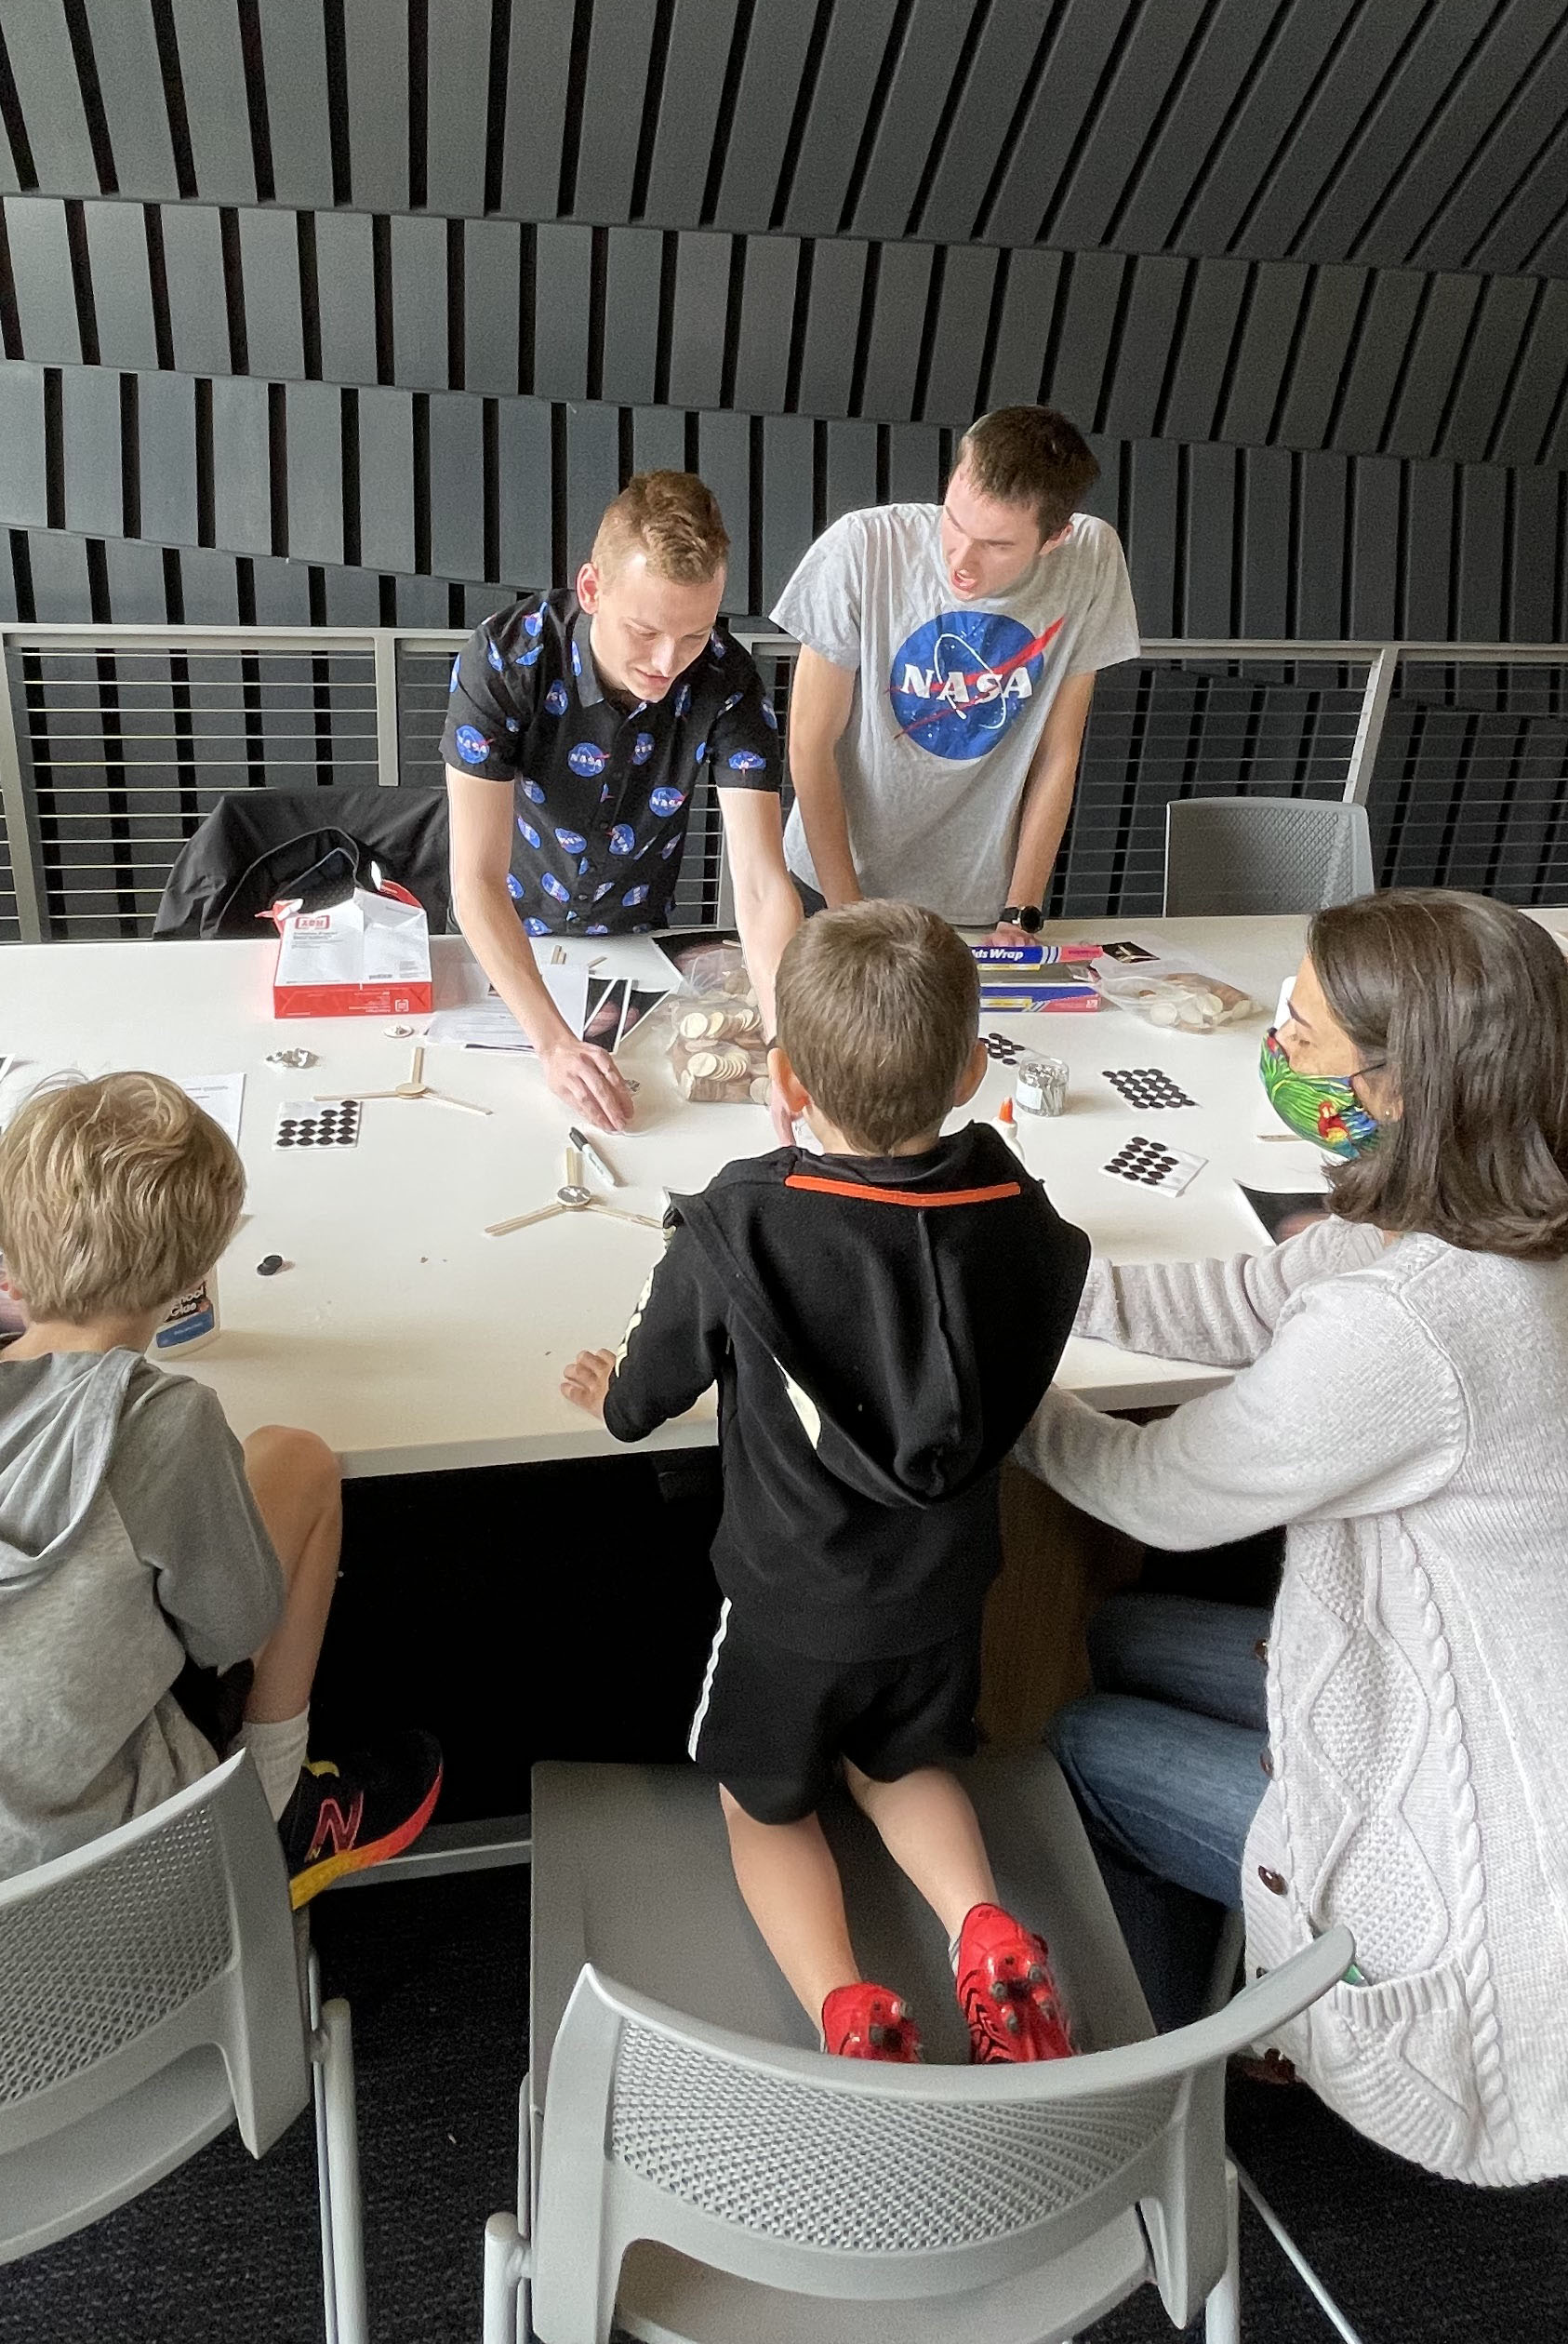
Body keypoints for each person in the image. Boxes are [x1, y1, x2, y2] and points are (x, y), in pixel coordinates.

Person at [1021, 888, 1568, 2186]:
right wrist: (1013, 1272)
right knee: (1120, 1631)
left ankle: (1166, 2115)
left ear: (1396, 1084)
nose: (1276, 1039)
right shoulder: (1505, 1216)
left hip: (1560, 1913)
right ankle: (1243, 2002)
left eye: (1304, 1030)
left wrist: (990, 1383)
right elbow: (1254, 1291)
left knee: (1084, 1740)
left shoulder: (1409, 1323)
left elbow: (1156, 1489)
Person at [558, 902, 1093, 2063]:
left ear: (784, 1079)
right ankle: (987, 1931)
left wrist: (608, 1392)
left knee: (767, 1806)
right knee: (906, 1765)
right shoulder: (1023, 1218)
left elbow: (645, 1394)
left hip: (791, 1609)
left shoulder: (741, 1220)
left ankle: (846, 2005)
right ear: (971, 1071)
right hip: (944, 1595)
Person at [0, 1070, 440, 1917]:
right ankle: (280, 1809)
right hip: (109, 1899)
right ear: (198, 1266)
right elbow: (234, 1627)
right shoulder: (164, 1422)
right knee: (299, 1462)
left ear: (6, 1241)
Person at [443, 472, 802, 1130]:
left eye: (693, 635)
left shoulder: (728, 679)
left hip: (640, 941)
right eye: (645, 631)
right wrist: (552, 1044)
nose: (668, 662)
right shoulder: (506, 657)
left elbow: (759, 883)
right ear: (591, 590)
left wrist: (787, 1042)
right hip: (505, 943)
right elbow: (474, 880)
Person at [777, 406, 1141, 936]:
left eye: (997, 545)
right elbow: (810, 743)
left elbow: (1059, 753)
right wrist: (848, 915)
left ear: (1055, 537)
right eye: (954, 520)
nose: (962, 561)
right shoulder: (863, 547)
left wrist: (1022, 908)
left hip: (977, 901)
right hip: (831, 883)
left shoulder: (1092, 559)